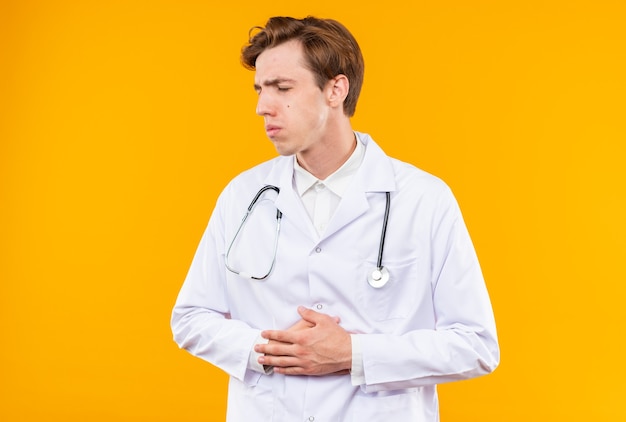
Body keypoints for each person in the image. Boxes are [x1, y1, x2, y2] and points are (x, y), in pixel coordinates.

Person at [171, 15, 499, 421]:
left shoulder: (424, 200)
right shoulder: (242, 196)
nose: (261, 107)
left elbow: (476, 345)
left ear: (335, 90)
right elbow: (190, 319)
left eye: (282, 88)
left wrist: (354, 355)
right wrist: (266, 350)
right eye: (259, 89)